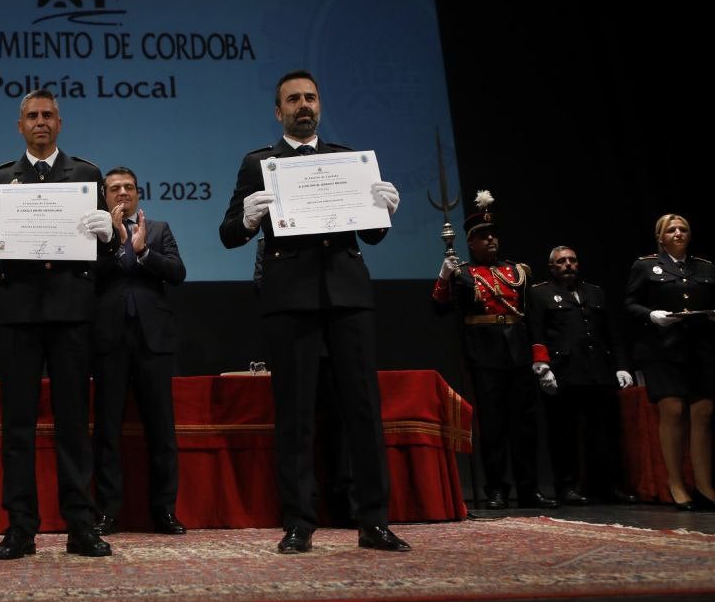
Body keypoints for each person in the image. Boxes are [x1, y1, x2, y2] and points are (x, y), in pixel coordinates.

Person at [219, 70, 409, 554]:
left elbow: (372, 234)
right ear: (278, 110)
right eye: (293, 99)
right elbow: (228, 233)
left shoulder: (347, 160)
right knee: (296, 412)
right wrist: (247, 217)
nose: (303, 105)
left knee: (363, 409)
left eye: (310, 97)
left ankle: (373, 521)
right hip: (289, 297)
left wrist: (383, 209)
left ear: (319, 105)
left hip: (347, 294)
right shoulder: (260, 163)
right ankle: (299, 521)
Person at [0, 89, 115, 560]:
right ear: (20, 126)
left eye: (48, 115)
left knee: (74, 422)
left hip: (71, 312)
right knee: (18, 425)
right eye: (32, 116)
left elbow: (100, 247)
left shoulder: (87, 174)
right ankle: (20, 527)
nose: (41, 122)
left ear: (60, 122)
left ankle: (81, 526)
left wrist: (108, 237)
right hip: (19, 314)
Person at [433, 191, 557, 510]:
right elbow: (440, 307)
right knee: (493, 425)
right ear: (471, 243)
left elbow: (533, 319)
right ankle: (497, 488)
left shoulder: (519, 272)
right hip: (484, 353)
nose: (491, 241)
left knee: (524, 425)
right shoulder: (462, 273)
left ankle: (529, 488)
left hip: (517, 349)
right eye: (483, 237)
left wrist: (540, 357)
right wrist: (445, 276)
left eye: (493, 236)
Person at [91, 167, 186, 536]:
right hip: (108, 340)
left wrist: (143, 251)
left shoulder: (158, 229)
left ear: (138, 193)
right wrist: (117, 244)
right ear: (104, 196)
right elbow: (89, 276)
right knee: (107, 431)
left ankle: (164, 511)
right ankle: (107, 512)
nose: (122, 193)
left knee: (162, 430)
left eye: (128, 187)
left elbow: (177, 272)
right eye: (114, 188)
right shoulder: (95, 234)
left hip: (154, 339)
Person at [528, 246, 637, 504]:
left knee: (604, 433)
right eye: (561, 261)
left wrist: (621, 366)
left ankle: (608, 485)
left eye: (572, 260)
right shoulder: (540, 294)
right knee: (563, 434)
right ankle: (566, 486)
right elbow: (536, 332)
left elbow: (612, 334)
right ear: (552, 267)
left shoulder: (595, 292)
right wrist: (542, 366)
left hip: (598, 371)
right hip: (563, 372)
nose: (568, 264)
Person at [623, 214, 715, 510]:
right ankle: (676, 483)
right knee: (673, 410)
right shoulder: (646, 265)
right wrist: (651, 315)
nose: (678, 233)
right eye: (671, 230)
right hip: (662, 348)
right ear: (660, 237)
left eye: (683, 229)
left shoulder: (704, 267)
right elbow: (630, 303)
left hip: (699, 347)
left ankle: (704, 484)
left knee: (703, 412)